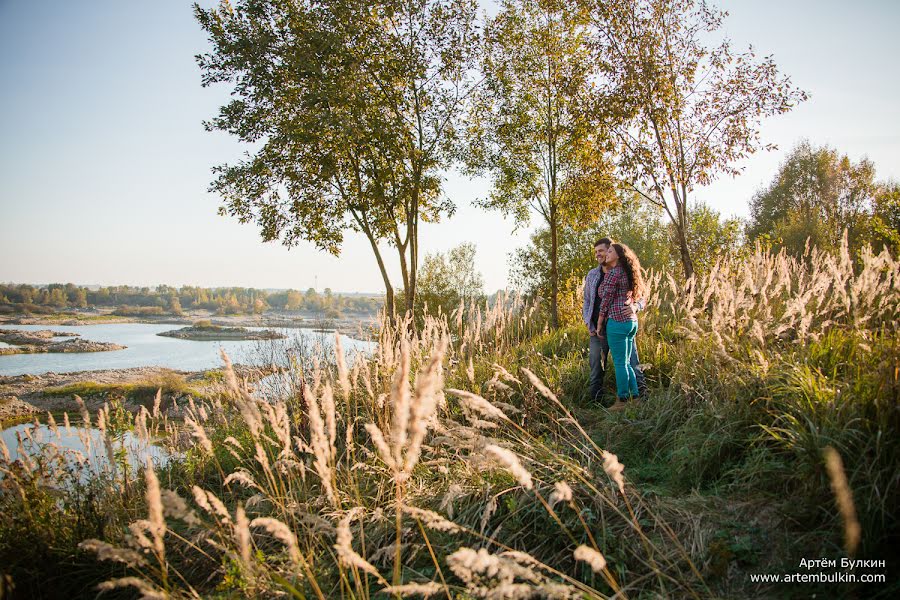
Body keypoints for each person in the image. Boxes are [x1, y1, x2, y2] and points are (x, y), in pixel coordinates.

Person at [583, 238, 646, 404]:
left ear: (611, 251)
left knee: (631, 363)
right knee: (597, 365)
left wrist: (635, 307)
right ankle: (596, 400)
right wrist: (590, 324)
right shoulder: (592, 275)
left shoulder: (625, 270)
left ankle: (637, 396)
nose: (598, 254)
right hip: (599, 331)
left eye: (602, 251)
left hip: (618, 322)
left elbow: (642, 297)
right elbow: (587, 302)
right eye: (596, 252)